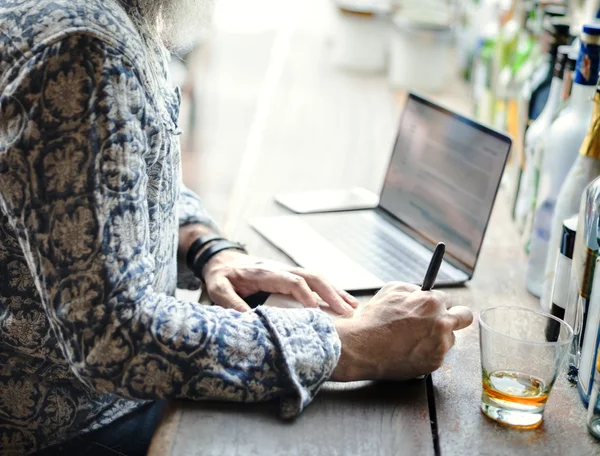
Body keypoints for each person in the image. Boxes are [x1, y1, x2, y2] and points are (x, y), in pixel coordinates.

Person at [0, 0, 474, 454]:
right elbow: (113, 337)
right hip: (72, 424)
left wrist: (208, 248)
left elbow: (119, 185)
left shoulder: (110, 18)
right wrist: (352, 344)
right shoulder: (81, 45)